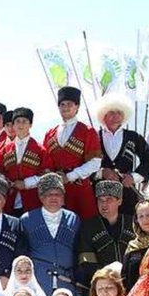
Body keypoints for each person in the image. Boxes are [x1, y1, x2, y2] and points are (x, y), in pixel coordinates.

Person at [42, 86, 101, 220]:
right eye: (62, 104)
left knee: (86, 224)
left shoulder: (87, 131)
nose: (65, 107)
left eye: (69, 104)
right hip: (57, 190)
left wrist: (69, 176)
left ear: (77, 107)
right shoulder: (50, 133)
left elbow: (95, 162)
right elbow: (45, 162)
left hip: (80, 188)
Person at [19, 173, 80, 296]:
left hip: (66, 281)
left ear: (63, 197)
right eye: (48, 194)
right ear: (41, 197)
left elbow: (77, 251)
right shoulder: (27, 220)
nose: (53, 198)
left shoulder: (73, 219)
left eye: (58, 194)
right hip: (38, 282)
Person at [94, 94, 149, 215]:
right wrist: (102, 172)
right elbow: (84, 163)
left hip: (127, 193)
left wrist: (133, 177)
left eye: (119, 113)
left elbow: (148, 159)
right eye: (111, 112)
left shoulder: (133, 137)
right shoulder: (94, 137)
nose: (116, 116)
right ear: (103, 115)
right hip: (100, 195)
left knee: (128, 222)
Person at [76, 180, 134, 296]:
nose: (104, 204)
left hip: (130, 286)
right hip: (101, 289)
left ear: (119, 201)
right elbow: (86, 260)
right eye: (100, 200)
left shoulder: (132, 223)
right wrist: (106, 279)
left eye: (109, 200)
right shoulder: (88, 227)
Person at [0, 107, 47, 216]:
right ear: (13, 125)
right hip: (10, 200)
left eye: (24, 121)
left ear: (30, 124)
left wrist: (26, 183)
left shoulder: (40, 150)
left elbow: (47, 176)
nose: (21, 125)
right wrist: (6, 182)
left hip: (33, 200)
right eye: (17, 121)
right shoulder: (5, 150)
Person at [122, 198, 149, 291]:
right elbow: (125, 278)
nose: (145, 219)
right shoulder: (133, 246)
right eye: (141, 216)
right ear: (136, 220)